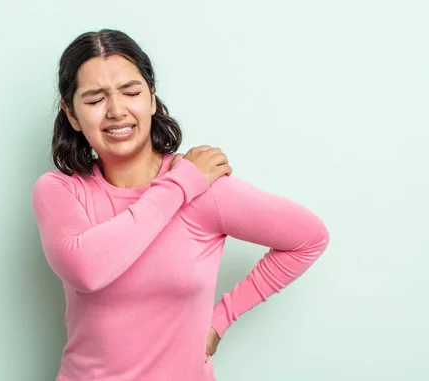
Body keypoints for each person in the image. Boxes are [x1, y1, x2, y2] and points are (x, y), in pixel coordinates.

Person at [32, 29, 330, 381]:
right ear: (72, 114)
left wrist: (221, 319)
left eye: (131, 92)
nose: (116, 110)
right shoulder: (60, 191)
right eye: (95, 100)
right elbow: (88, 271)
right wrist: (180, 185)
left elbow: (309, 238)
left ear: (152, 97)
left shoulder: (208, 191)